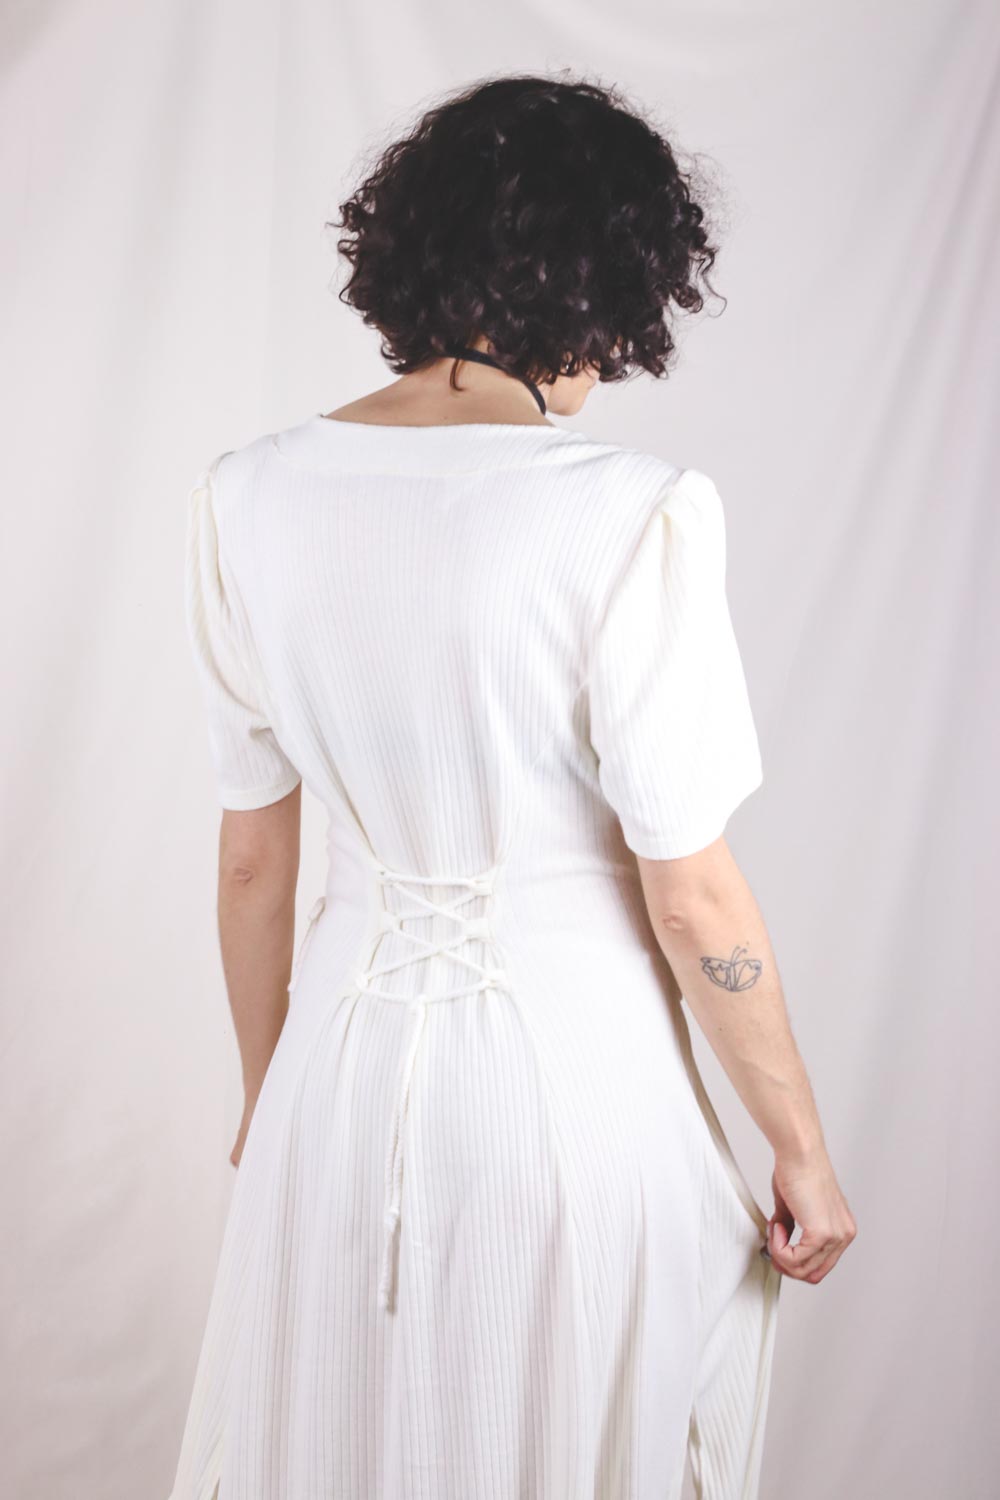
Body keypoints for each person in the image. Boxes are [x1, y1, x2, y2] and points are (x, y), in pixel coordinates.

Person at [169, 71, 855, 1500]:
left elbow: (251, 860)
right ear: (606, 279)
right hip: (572, 1095)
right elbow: (691, 891)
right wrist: (799, 1147)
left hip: (334, 1089)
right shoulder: (634, 512)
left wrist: (266, 1095)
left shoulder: (248, 494)